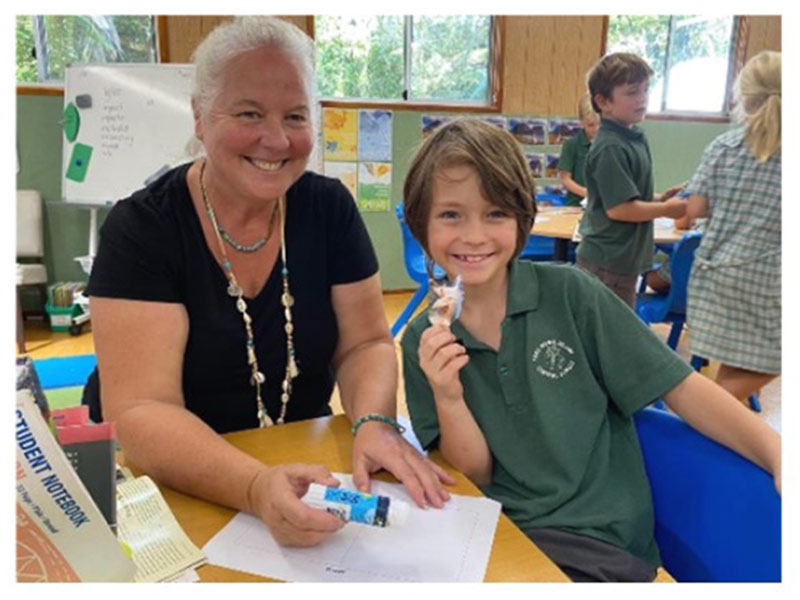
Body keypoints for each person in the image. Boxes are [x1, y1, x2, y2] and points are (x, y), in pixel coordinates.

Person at [83, 16, 452, 548]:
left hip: (307, 462)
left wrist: (373, 419)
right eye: (249, 113)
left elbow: (367, 342)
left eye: (296, 116)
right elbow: (141, 410)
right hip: (172, 486)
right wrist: (254, 487)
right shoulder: (143, 228)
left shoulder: (329, 209)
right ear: (200, 117)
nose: (277, 139)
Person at [400, 118, 780, 582]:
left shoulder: (571, 295)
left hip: (598, 539)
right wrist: (450, 396)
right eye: (451, 215)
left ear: (522, 218)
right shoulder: (424, 339)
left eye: (496, 213)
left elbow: (680, 388)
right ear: (421, 224)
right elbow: (474, 473)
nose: (474, 235)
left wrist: (776, 453)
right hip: (496, 535)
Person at [684, 50, 782, 404]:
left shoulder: (723, 146)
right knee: (769, 362)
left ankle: (713, 426)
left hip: (715, 275)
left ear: (744, 96)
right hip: (766, 279)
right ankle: (700, 412)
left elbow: (693, 208)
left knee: (734, 367)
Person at [577, 52, 685, 308]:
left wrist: (661, 198)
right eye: (632, 92)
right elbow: (620, 209)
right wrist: (668, 210)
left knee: (615, 329)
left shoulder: (633, 137)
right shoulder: (610, 147)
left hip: (622, 261)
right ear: (603, 101)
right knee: (609, 333)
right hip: (607, 263)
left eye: (646, 90)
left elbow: (630, 196)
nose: (643, 99)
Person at [556, 93, 599, 207]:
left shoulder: (610, 145)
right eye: (591, 125)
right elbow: (565, 179)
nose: (596, 129)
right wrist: (587, 193)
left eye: (601, 124)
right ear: (581, 122)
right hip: (576, 205)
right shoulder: (571, 145)